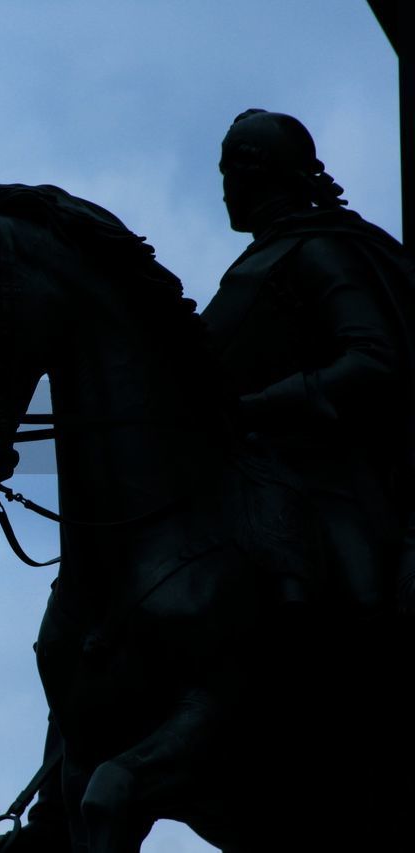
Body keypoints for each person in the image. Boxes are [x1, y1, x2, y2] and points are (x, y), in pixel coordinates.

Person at [201, 108, 415, 847]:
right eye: (223, 165)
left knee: (361, 598)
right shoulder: (255, 262)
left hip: (329, 475)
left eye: (236, 166)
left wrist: (265, 403)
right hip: (252, 476)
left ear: (267, 173)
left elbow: (375, 361)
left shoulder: (324, 252)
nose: (223, 182)